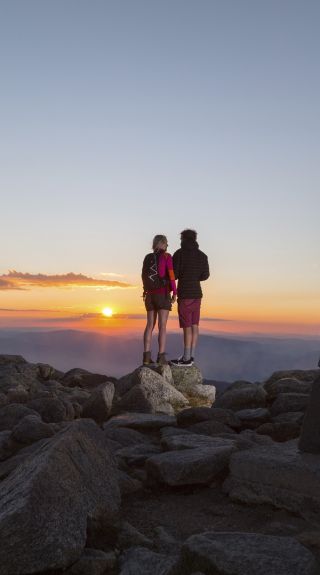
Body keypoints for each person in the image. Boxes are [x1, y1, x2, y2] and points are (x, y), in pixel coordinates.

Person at [170, 229, 209, 366]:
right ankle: (191, 355)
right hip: (197, 294)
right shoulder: (202, 256)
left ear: (183, 239)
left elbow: (173, 274)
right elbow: (205, 275)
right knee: (194, 324)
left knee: (186, 326)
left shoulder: (179, 254)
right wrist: (195, 276)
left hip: (185, 294)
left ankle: (186, 359)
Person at [142, 235, 177, 366]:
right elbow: (171, 275)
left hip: (150, 295)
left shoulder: (147, 257)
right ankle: (161, 357)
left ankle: (146, 357)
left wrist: (146, 291)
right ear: (162, 243)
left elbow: (143, 276)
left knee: (149, 325)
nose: (167, 246)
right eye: (166, 244)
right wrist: (175, 292)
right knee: (162, 326)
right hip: (162, 294)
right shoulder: (167, 257)